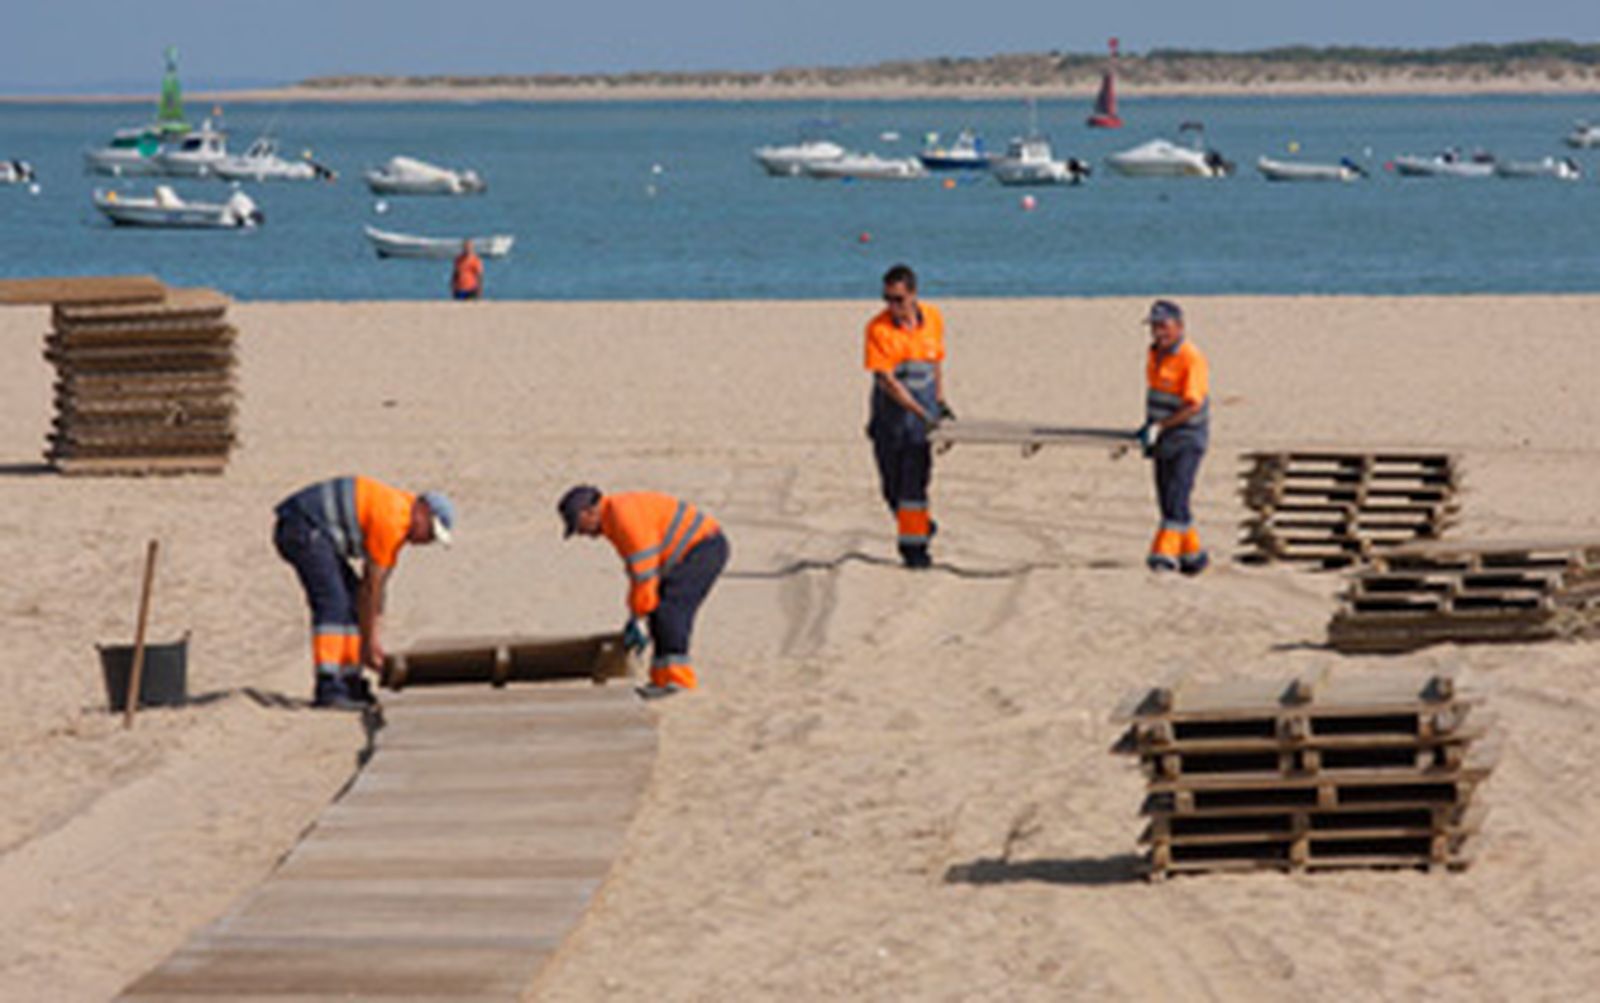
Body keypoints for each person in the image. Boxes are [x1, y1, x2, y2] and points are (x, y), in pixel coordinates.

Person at [273, 476, 456, 709]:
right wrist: (370, 645)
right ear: (422, 510)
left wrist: (373, 639)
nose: (426, 541)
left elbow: (373, 593)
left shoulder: (398, 514)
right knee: (335, 604)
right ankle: (329, 685)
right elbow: (371, 587)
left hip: (312, 529)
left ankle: (349, 680)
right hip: (302, 525)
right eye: (430, 532)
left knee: (350, 600)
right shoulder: (393, 520)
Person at [558, 485, 728, 700]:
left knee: (671, 610)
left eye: (579, 526)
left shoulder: (624, 517)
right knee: (660, 612)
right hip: (690, 554)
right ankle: (662, 680)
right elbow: (637, 572)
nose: (582, 534)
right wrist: (636, 613)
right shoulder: (612, 519)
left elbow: (644, 575)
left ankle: (679, 681)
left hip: (703, 548)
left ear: (589, 512)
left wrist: (637, 616)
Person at [864, 263, 953, 569]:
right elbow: (888, 382)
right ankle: (922, 526)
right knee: (891, 490)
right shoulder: (878, 329)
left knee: (913, 489)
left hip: (920, 424)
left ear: (913, 295)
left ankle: (915, 552)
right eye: (887, 299)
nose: (893, 306)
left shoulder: (934, 319)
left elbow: (936, 363)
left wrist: (939, 403)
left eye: (898, 299)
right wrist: (920, 411)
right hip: (890, 420)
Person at [1136, 299, 1209, 575]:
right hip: (1163, 438)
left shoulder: (1191, 358)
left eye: (1164, 326)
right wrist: (1150, 427)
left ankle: (1162, 554)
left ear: (1179, 327)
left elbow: (1192, 405)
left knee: (1177, 497)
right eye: (1155, 327)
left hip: (1187, 438)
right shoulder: (1154, 354)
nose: (1158, 332)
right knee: (1168, 498)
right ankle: (1193, 555)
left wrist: (1162, 425)